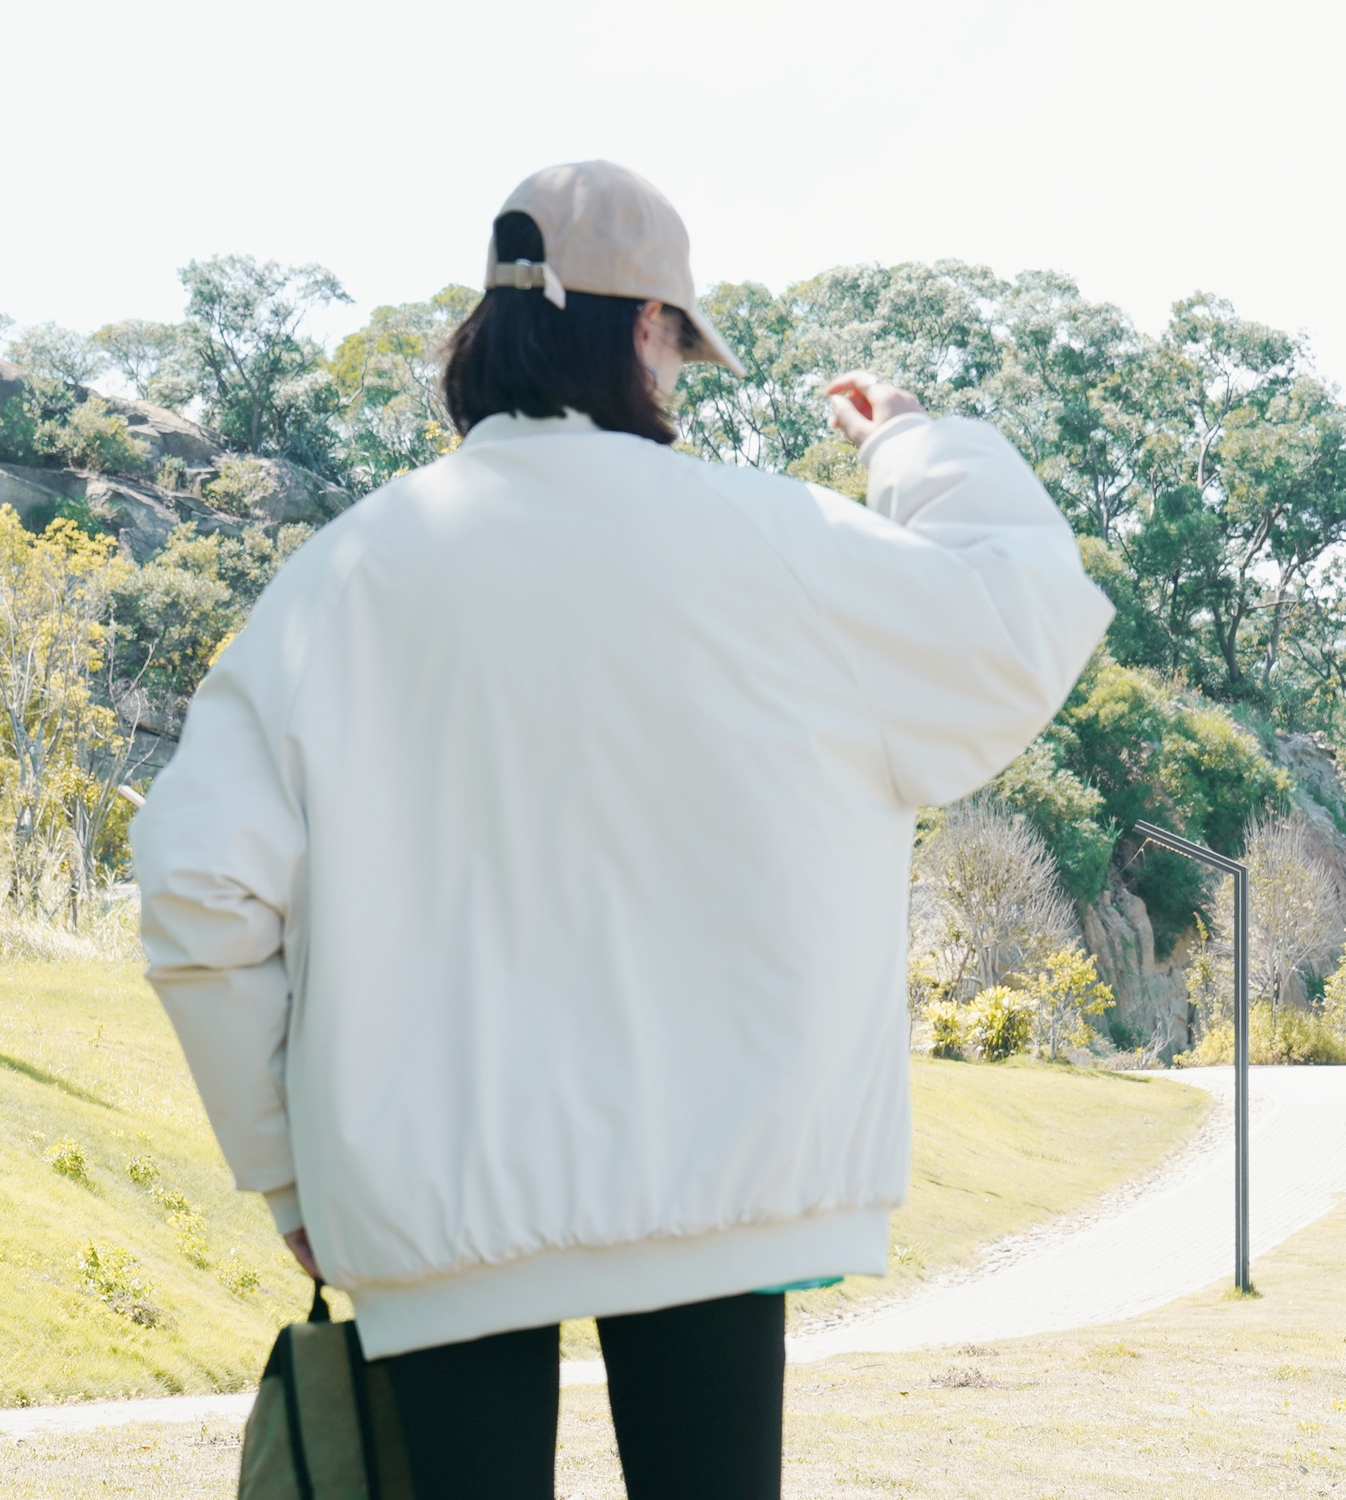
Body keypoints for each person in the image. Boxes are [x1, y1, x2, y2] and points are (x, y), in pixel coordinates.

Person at [131, 160, 1113, 1500]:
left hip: (432, 1202)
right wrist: (910, 442)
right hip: (721, 1184)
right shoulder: (775, 542)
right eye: (679, 347)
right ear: (648, 326)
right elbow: (1017, 617)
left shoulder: (343, 575)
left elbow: (198, 892)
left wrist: (288, 1175)